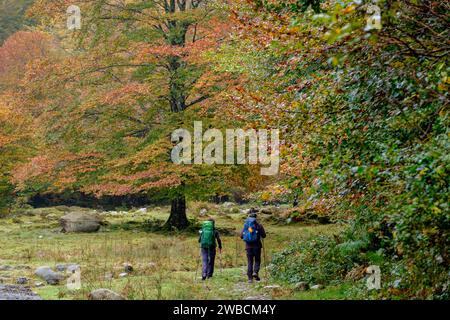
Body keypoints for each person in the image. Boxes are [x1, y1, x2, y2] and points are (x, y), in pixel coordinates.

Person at [240, 213, 266, 283]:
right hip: (257, 246)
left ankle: (250, 279)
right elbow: (264, 235)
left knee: (250, 262)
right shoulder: (259, 225)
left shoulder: (246, 225)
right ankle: (255, 272)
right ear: (255, 218)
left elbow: (241, 236)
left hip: (248, 247)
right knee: (257, 260)